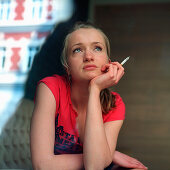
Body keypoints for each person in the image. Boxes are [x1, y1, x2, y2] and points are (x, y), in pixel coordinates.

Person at [30, 22, 148, 170]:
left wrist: (95, 88)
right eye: (78, 50)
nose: (88, 56)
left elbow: (95, 166)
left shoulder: (115, 103)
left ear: (108, 62)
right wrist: (110, 155)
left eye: (97, 48)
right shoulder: (50, 88)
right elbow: (42, 165)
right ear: (67, 67)